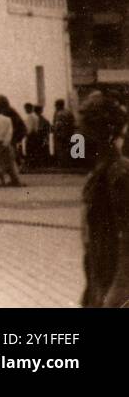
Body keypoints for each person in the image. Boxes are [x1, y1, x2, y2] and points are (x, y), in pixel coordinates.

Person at [76, 92, 129, 307]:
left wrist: (119, 292)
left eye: (84, 130)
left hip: (116, 288)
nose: (78, 138)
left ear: (103, 133)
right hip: (100, 279)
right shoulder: (99, 172)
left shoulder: (120, 174)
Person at [0, 99, 25, 188]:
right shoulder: (7, 119)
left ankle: (2, 181)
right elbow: (10, 132)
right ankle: (15, 180)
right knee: (10, 161)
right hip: (6, 142)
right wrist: (6, 142)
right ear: (1, 109)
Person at [53, 99, 76, 168]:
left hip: (60, 134)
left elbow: (58, 125)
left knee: (60, 149)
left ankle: (62, 164)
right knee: (68, 148)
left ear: (58, 105)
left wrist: (55, 131)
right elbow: (73, 122)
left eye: (56, 105)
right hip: (69, 133)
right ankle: (68, 163)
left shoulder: (59, 113)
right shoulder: (69, 112)